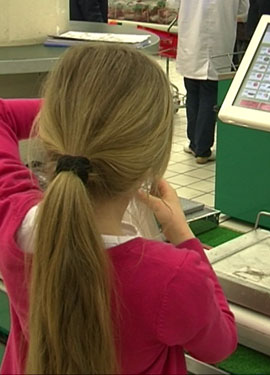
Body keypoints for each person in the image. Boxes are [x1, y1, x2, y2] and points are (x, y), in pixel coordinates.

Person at [0, 44, 237, 374]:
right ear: (152, 161)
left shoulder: (12, 219)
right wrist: (183, 235)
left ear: (52, 130)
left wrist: (80, 119)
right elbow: (219, 345)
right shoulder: (175, 276)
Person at [176, 0, 249, 164]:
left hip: (191, 41)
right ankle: (202, 149)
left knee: (192, 94)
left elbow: (173, 5)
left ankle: (195, 143)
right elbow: (243, 12)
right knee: (209, 97)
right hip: (218, 40)